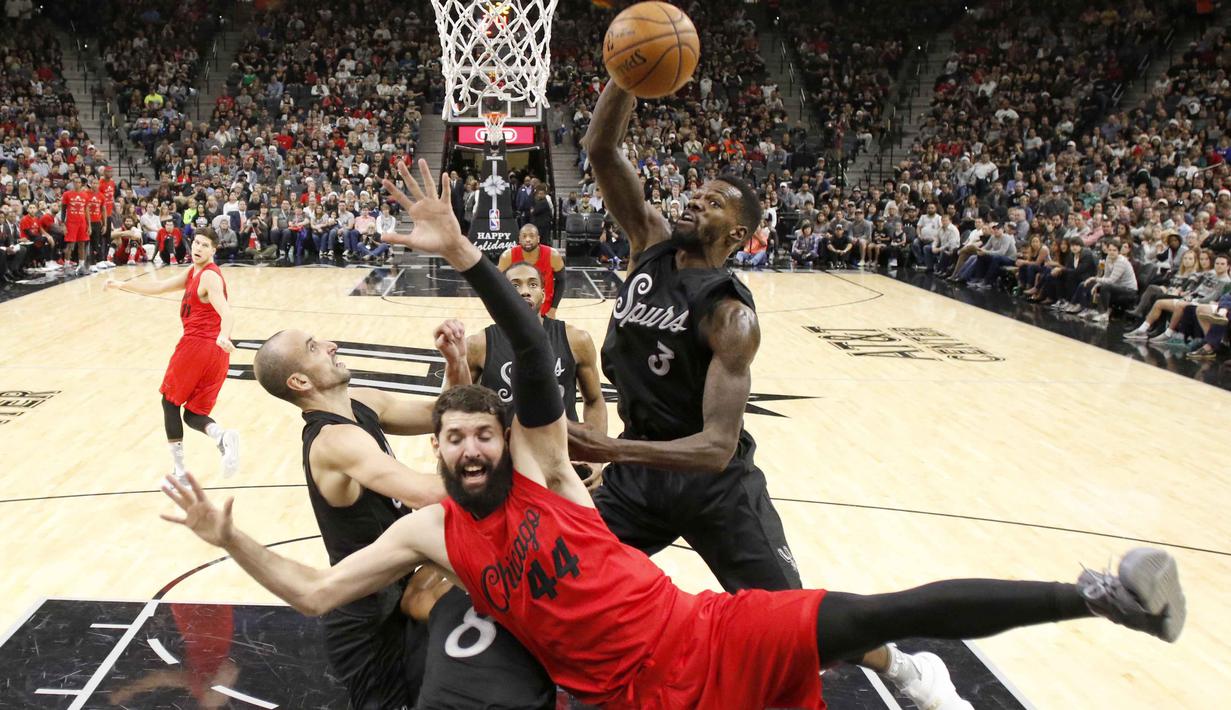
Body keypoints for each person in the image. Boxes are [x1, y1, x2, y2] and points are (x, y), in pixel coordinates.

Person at [160, 159, 1187, 710]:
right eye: (454, 440)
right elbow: (314, 592)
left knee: (879, 611)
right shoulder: (430, 532)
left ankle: (1099, 595)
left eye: (482, 435)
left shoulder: (550, 472)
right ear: (438, 450)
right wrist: (229, 538)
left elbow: (532, 352)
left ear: (506, 439)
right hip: (628, 697)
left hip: (706, 634)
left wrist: (472, 259)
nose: (469, 450)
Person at [572, 82, 962, 706]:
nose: (696, 200)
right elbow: (600, 148)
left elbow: (715, 449)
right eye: (697, 193)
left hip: (714, 488)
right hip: (639, 480)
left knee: (796, 626)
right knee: (563, 578)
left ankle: (906, 667)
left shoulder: (732, 317)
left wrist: (610, 450)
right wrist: (624, 74)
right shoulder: (649, 242)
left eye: (714, 202)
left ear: (739, 233)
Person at [105, 229, 241, 480]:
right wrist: (123, 285)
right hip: (216, 353)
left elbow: (227, 312)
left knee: (169, 403)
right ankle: (221, 437)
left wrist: (225, 334)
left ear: (214, 250)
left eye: (204, 245)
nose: (198, 248)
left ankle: (180, 471)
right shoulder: (193, 272)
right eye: (196, 242)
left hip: (197, 346)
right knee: (193, 413)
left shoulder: (209, 276)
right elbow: (159, 287)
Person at [498, 224, 565, 318]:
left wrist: (553, 309)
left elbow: (561, 281)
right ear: (519, 239)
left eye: (531, 236)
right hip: (515, 311)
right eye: (524, 236)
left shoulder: (553, 255)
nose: (528, 239)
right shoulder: (507, 257)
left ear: (538, 239)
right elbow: (498, 284)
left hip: (544, 312)